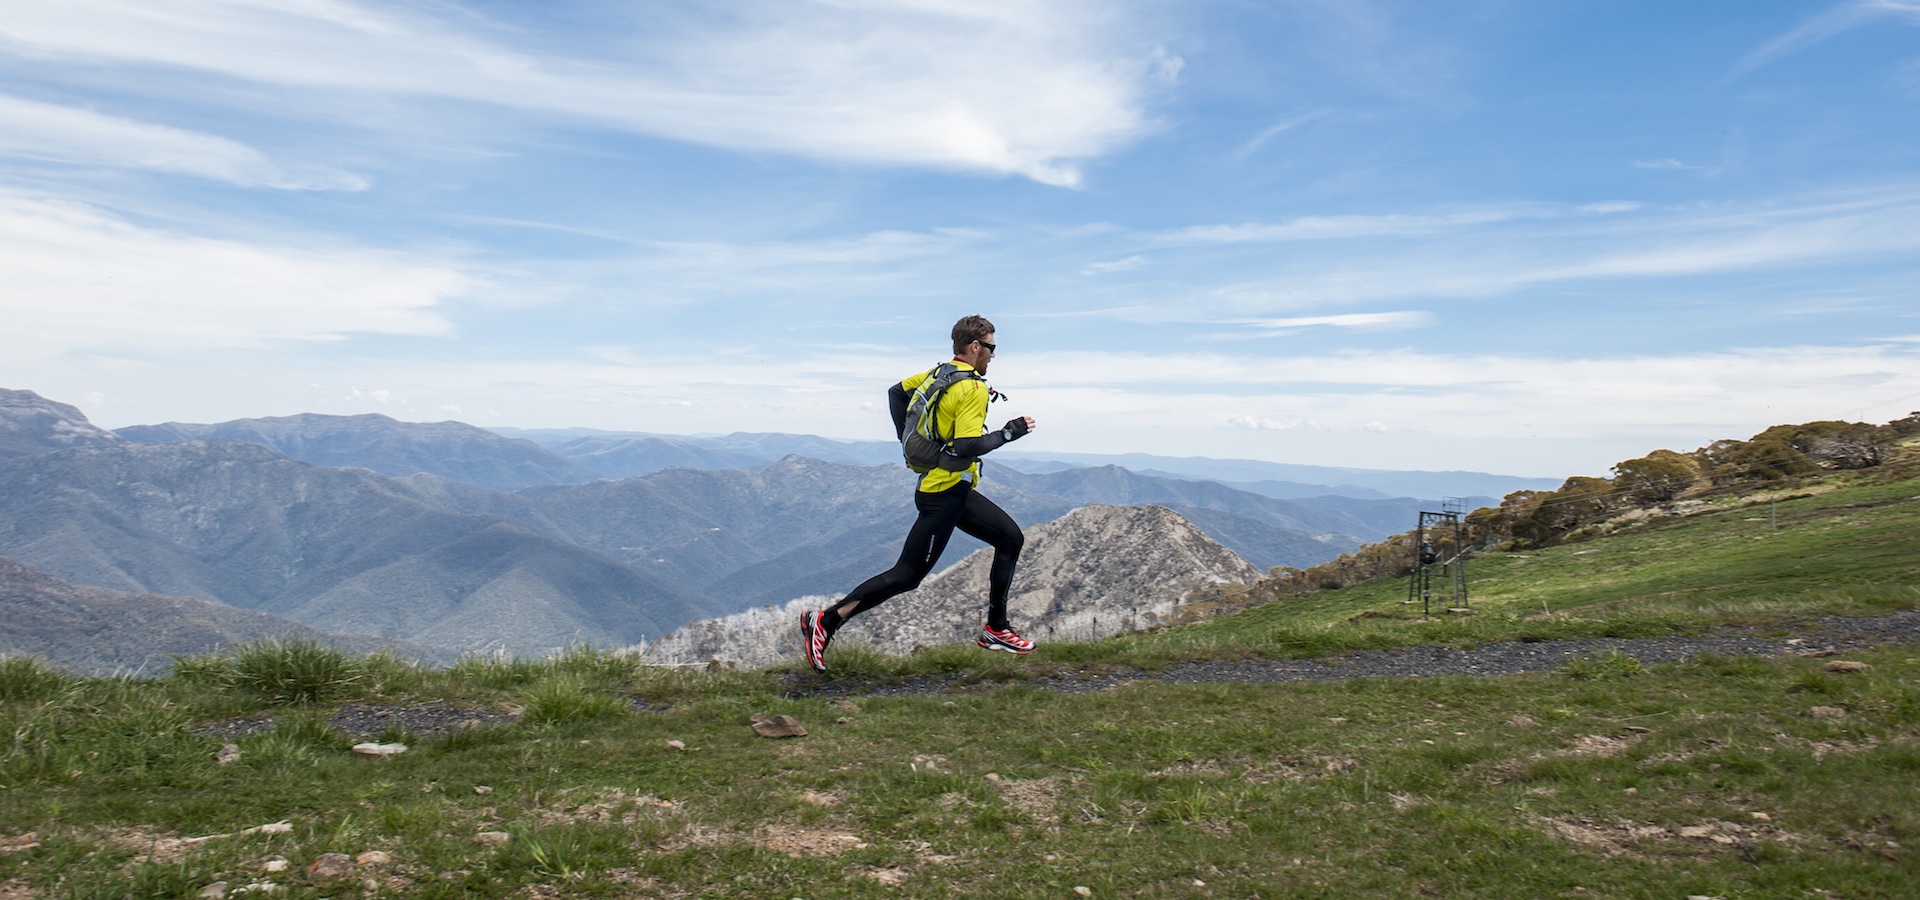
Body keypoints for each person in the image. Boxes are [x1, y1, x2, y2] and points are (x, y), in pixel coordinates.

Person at [800, 315, 1037, 673]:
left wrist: (912, 445)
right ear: (975, 347)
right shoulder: (971, 388)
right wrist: (1009, 432)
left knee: (1010, 539)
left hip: (952, 490)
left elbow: (896, 392)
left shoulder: (938, 373)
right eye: (991, 347)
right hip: (943, 495)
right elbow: (967, 444)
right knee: (907, 575)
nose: (992, 355)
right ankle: (828, 620)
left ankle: (996, 629)